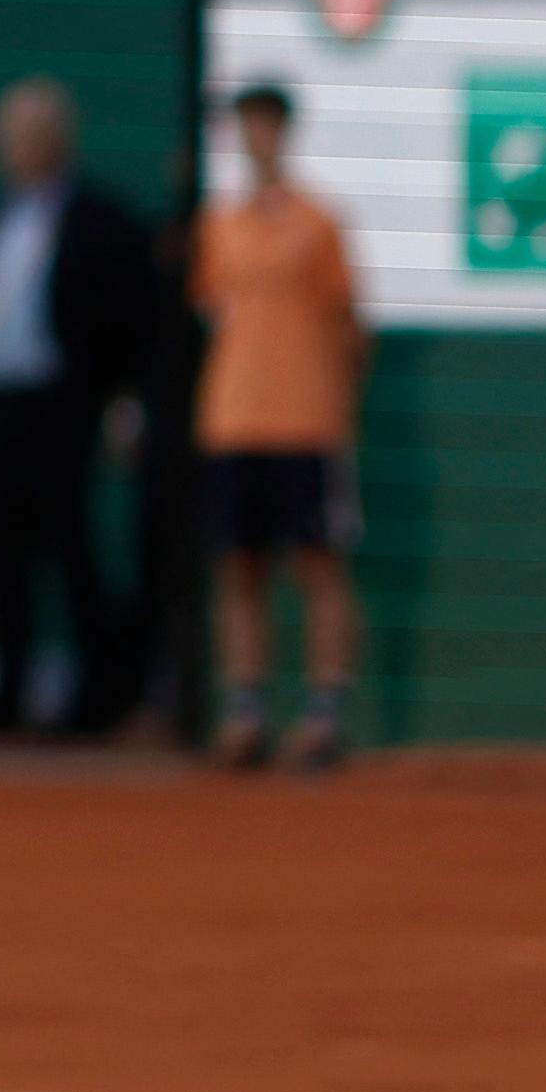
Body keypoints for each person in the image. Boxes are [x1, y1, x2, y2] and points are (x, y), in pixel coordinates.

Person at [0, 77, 153, 736]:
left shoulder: (100, 219)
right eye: (11, 136)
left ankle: (94, 698)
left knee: (71, 555)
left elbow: (126, 321)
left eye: (34, 135)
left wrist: (119, 399)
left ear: (60, 141)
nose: (20, 147)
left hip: (61, 410)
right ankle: (8, 692)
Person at [193, 83, 364, 770]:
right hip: (233, 420)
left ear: (284, 132)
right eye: (246, 125)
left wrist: (334, 403)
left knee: (318, 566)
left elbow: (351, 326)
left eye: (266, 124)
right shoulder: (219, 225)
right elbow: (209, 310)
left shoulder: (320, 223)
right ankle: (247, 712)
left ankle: (323, 713)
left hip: (308, 420)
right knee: (239, 568)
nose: (256, 137)